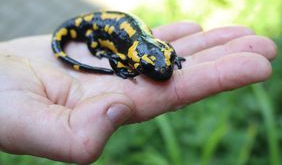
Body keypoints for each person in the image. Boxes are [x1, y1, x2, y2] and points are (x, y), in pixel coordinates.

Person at [0, 22, 277, 164]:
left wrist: (174, 59)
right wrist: (114, 64)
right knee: (98, 40)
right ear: (135, 61)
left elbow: (165, 49)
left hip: (128, 32)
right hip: (95, 26)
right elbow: (116, 58)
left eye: (168, 63)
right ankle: (89, 44)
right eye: (150, 67)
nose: (163, 71)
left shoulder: (159, 51)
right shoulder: (128, 54)